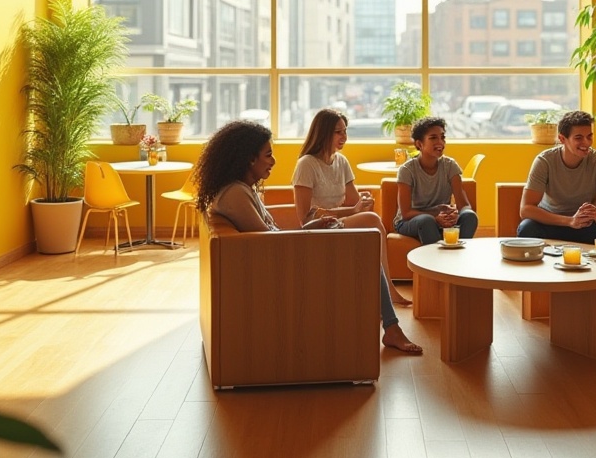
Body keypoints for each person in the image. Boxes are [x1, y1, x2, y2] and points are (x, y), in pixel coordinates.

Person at [194, 119, 423, 355]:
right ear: (250, 158)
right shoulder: (235, 194)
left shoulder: (240, 189)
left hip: (287, 253)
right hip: (287, 265)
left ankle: (390, 324)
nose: (273, 161)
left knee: (362, 241)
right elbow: (268, 245)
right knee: (363, 251)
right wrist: (308, 233)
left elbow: (269, 237)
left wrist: (311, 227)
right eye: (268, 155)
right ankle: (392, 328)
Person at [293, 108, 411, 307]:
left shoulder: (341, 162)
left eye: (345, 131)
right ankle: (387, 291)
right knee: (373, 220)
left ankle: (379, 292)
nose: (344, 137)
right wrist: (354, 210)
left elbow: (354, 201)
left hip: (338, 223)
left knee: (371, 220)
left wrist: (364, 202)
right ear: (323, 133)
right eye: (338, 132)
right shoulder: (306, 164)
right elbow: (305, 217)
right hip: (317, 227)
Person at [514, 110, 596, 295]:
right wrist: (569, 221)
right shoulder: (545, 161)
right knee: (527, 228)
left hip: (586, 226)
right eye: (579, 138)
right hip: (552, 224)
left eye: (589, 136)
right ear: (562, 138)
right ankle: (534, 291)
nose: (586, 143)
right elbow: (526, 209)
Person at [393, 117, 478, 244]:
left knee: (470, 216)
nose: (440, 142)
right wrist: (434, 215)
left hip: (440, 218)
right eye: (433, 138)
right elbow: (406, 213)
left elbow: (464, 204)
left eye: (442, 137)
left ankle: (459, 257)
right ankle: (434, 262)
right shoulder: (407, 170)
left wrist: (455, 214)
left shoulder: (450, 166)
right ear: (419, 144)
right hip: (410, 222)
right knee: (427, 221)